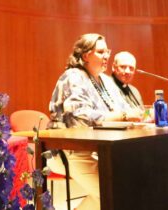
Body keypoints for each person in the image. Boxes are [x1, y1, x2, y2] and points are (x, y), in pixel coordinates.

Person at [48, 34, 128, 210]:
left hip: (102, 149)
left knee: (126, 187)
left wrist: (140, 114)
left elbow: (125, 109)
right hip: (72, 150)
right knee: (114, 192)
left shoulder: (106, 80)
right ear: (85, 55)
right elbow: (79, 117)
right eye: (100, 52)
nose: (106, 56)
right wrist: (121, 116)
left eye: (107, 51)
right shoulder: (73, 76)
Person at [105, 51, 145, 121]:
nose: (127, 71)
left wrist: (150, 113)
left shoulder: (134, 90)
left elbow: (143, 113)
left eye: (131, 68)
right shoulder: (106, 86)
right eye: (123, 67)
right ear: (114, 67)